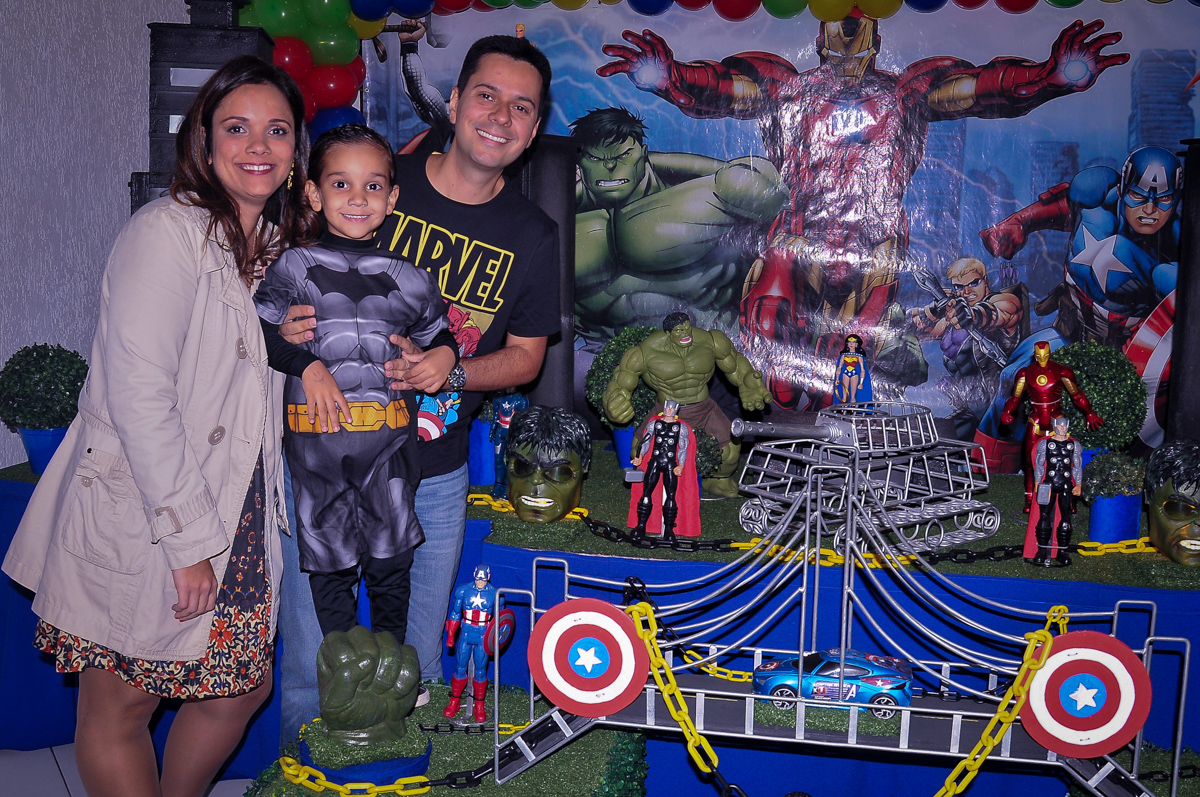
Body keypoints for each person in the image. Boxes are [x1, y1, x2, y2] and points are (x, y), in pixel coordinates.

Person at [2, 56, 310, 797]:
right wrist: (187, 543)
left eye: (277, 130)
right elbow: (141, 397)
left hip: (238, 505)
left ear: (297, 150)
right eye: (237, 128)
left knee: (238, 685)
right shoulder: (165, 233)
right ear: (203, 142)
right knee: (122, 700)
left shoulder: (269, 248)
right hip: (152, 510)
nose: (258, 145)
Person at [599, 17, 1125, 407]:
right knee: (772, 349)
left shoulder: (904, 94)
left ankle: (837, 445)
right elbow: (722, 88)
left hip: (872, 252)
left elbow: (980, 89)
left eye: (858, 24)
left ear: (875, 33)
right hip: (797, 240)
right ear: (821, 31)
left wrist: (1048, 78)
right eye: (837, 24)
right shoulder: (790, 89)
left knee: (849, 361)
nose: (847, 32)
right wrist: (671, 78)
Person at [275, 35, 559, 739]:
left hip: (431, 471)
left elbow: (526, 357)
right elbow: (279, 277)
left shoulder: (535, 233)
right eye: (487, 95)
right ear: (455, 102)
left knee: (417, 664)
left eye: (522, 107)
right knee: (316, 668)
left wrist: (453, 368)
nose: (500, 116)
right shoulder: (370, 174)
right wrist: (291, 339)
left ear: (535, 128)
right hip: (325, 459)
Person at [254, 124, 458, 649]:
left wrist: (441, 357)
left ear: (391, 198)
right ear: (314, 193)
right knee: (328, 563)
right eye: (340, 184)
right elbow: (257, 335)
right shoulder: (293, 267)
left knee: (392, 561)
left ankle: (392, 667)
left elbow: (443, 339)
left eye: (373, 186)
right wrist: (305, 363)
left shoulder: (411, 276)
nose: (357, 198)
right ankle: (341, 671)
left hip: (389, 444)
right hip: (315, 447)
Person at [602, 311, 772, 498]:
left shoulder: (710, 341)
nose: (685, 334)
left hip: (704, 407)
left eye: (687, 327)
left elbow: (735, 365)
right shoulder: (645, 351)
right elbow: (620, 382)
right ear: (667, 333)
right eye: (678, 330)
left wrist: (746, 380)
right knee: (640, 452)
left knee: (730, 450)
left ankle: (716, 480)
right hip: (667, 412)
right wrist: (614, 403)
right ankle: (658, 488)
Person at [628, 399, 700, 539]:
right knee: (647, 491)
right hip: (655, 460)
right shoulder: (654, 423)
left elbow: (683, 449)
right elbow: (646, 441)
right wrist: (641, 456)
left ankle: (668, 530)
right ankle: (641, 526)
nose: (669, 410)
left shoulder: (681, 427)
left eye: (672, 408)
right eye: (668, 407)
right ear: (665, 407)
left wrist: (681, 465)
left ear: (676, 409)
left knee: (671, 495)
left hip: (670, 463)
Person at [443, 564, 498, 723]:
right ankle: (454, 700)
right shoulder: (463, 590)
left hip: (483, 635)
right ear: (474, 575)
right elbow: (455, 614)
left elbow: (499, 620)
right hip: (466, 632)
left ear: (488, 577)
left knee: (480, 670)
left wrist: (495, 640)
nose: (480, 582)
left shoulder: (495, 594)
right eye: (477, 578)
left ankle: (479, 705)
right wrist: (451, 636)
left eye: (483, 579)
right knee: (460, 666)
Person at [1027, 417, 1082, 567]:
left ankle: (1062, 551)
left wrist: (1078, 484)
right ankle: (1042, 550)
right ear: (1054, 426)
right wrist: (1038, 482)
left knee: (1066, 515)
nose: (1062, 429)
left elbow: (1077, 466)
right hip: (1049, 482)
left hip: (1065, 483)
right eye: (1060, 426)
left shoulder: (1074, 445)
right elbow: (1039, 464)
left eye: (1065, 426)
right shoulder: (1045, 443)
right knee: (1043, 515)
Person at [832, 334, 873, 404]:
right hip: (845, 373)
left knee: (853, 397)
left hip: (854, 374)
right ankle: (843, 410)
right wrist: (837, 379)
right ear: (847, 344)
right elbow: (839, 367)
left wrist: (861, 383)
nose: (851, 344)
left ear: (856, 344)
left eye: (853, 342)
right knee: (844, 396)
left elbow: (863, 370)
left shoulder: (859, 356)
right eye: (849, 342)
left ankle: (853, 411)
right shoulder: (844, 355)